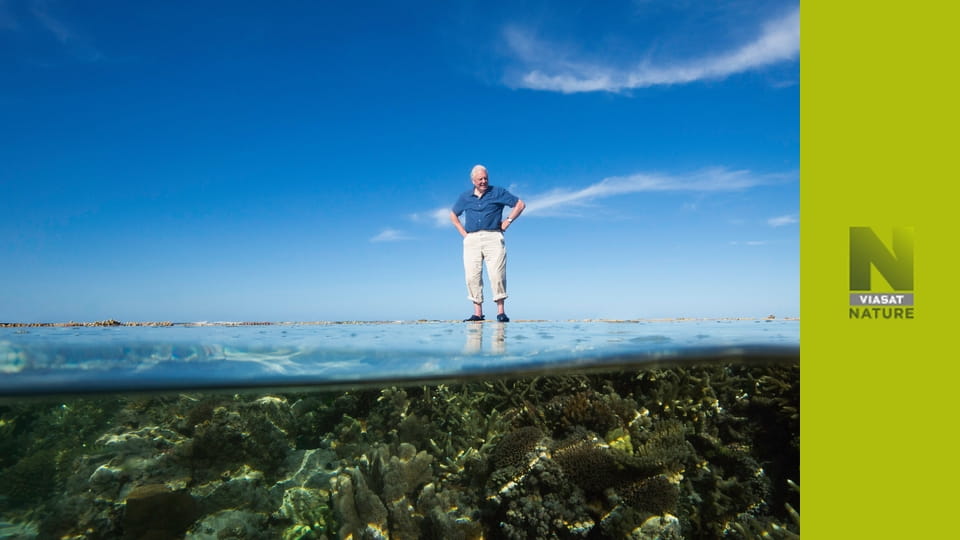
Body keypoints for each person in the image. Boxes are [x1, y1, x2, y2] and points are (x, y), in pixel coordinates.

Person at [450, 164, 525, 322]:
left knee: (497, 274)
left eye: (486, 178)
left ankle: (500, 312)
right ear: (473, 181)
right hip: (471, 239)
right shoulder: (465, 197)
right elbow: (453, 215)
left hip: (493, 237)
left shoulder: (498, 192)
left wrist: (508, 221)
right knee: (472, 276)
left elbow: (520, 204)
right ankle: (478, 313)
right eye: (480, 179)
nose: (483, 181)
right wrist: (464, 234)